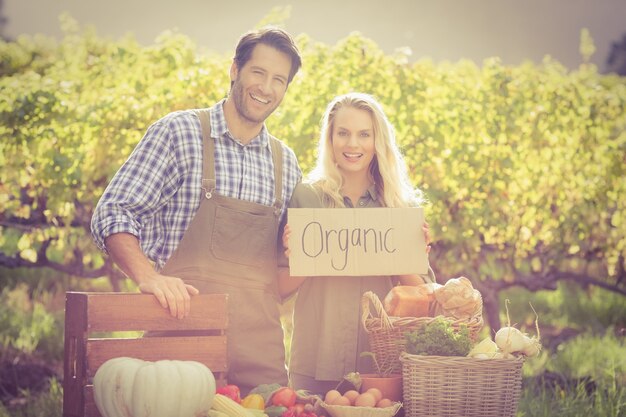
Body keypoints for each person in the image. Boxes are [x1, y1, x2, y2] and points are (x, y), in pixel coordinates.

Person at [90, 27, 302, 392]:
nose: (266, 88)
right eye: (258, 72)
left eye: (278, 80)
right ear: (234, 70)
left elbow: (285, 269)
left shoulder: (287, 163)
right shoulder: (179, 133)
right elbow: (113, 212)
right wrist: (149, 277)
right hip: (178, 351)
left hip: (260, 364)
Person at [278, 92, 435, 394]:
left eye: (364, 134)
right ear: (330, 139)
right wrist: (301, 256)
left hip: (382, 365)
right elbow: (281, 287)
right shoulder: (307, 197)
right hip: (316, 361)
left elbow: (423, 298)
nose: (353, 144)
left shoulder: (400, 206)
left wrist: (408, 255)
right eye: (343, 133)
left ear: (378, 142)